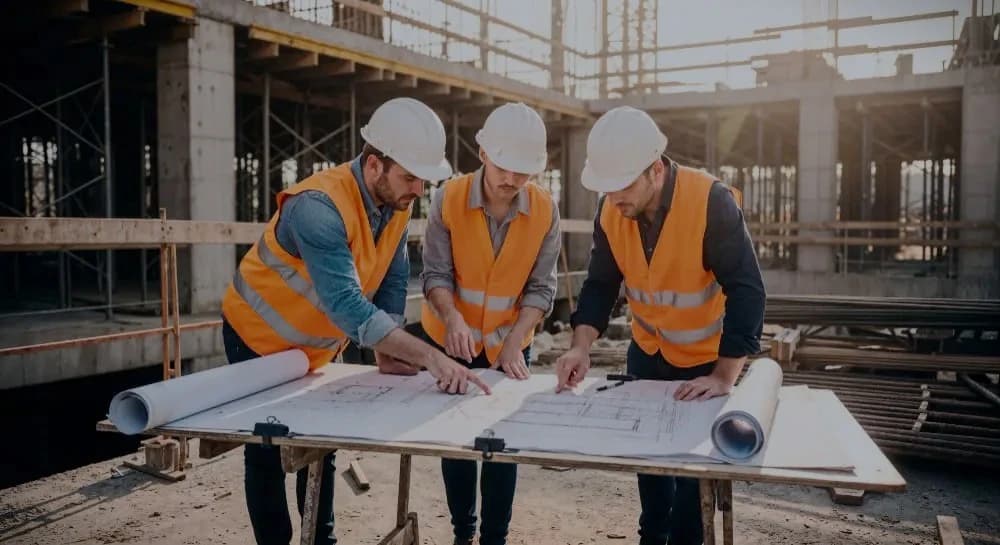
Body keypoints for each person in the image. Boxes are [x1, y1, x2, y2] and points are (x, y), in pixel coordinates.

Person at [220, 97, 491, 545]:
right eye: (409, 177)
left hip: (312, 348)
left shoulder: (398, 203)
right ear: (372, 165)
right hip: (256, 337)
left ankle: (320, 539)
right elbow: (346, 303)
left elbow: (392, 278)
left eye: (422, 179)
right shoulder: (317, 206)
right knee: (267, 452)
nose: (417, 190)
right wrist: (429, 357)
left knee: (321, 447)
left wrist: (386, 346)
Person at [555, 106, 765, 545]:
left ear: (655, 169)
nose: (614, 198)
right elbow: (600, 285)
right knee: (651, 483)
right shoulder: (612, 209)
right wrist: (581, 346)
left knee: (690, 496)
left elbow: (747, 290)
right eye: (607, 189)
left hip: (703, 365)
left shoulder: (711, 201)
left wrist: (725, 376)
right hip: (646, 357)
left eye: (623, 186)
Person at [420, 102, 561, 545]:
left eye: (524, 172)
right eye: (505, 167)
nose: (512, 180)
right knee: (457, 444)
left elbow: (541, 289)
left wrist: (515, 343)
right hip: (452, 337)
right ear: (482, 153)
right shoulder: (448, 198)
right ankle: (465, 533)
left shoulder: (544, 210)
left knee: (503, 446)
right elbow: (436, 275)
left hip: (512, 341)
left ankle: (495, 538)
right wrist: (454, 319)